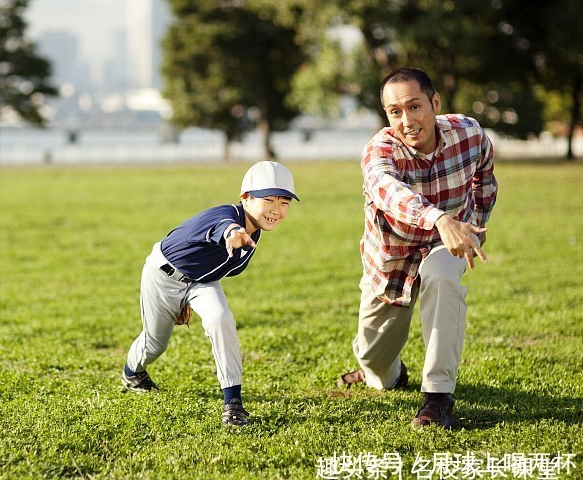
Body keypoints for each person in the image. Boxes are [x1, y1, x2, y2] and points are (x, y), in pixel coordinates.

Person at [338, 67, 498, 429]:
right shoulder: (379, 150)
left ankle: (437, 397)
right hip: (391, 261)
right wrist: (441, 218)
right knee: (372, 359)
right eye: (395, 111)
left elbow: (484, 175)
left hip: (443, 245)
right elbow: (392, 194)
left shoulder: (469, 134)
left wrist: (475, 228)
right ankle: (388, 372)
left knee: (442, 278)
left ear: (434, 102)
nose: (407, 120)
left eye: (414, 106)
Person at [121, 161, 299, 427]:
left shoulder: (255, 234)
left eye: (285, 202)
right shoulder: (226, 217)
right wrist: (233, 233)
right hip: (163, 276)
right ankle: (132, 373)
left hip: (201, 282)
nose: (277, 209)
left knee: (220, 318)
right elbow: (224, 228)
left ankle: (233, 405)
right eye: (268, 199)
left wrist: (192, 298)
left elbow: (217, 265)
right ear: (245, 199)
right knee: (156, 342)